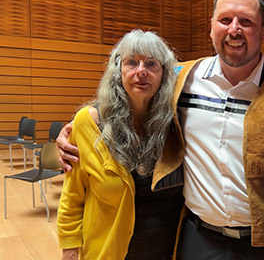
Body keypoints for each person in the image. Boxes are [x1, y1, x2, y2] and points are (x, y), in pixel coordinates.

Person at [56, 0, 264, 260]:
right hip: (197, 237)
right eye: (225, 20)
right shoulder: (181, 79)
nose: (234, 29)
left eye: (246, 21)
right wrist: (79, 126)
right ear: (211, 27)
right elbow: (131, 93)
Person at [57, 29, 184, 260]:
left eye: (152, 64)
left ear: (165, 74)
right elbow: (72, 194)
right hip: (109, 251)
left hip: (167, 251)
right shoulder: (89, 122)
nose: (141, 71)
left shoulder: (177, 123)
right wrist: (70, 248)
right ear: (119, 70)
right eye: (132, 62)